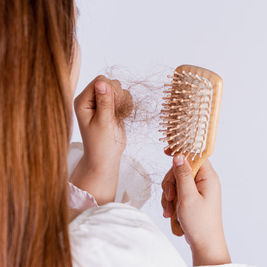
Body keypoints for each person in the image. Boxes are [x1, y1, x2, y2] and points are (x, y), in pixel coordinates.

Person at [0, 1, 252, 266]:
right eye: (72, 32)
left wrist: (99, 168)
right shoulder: (121, 249)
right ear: (43, 72)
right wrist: (210, 249)